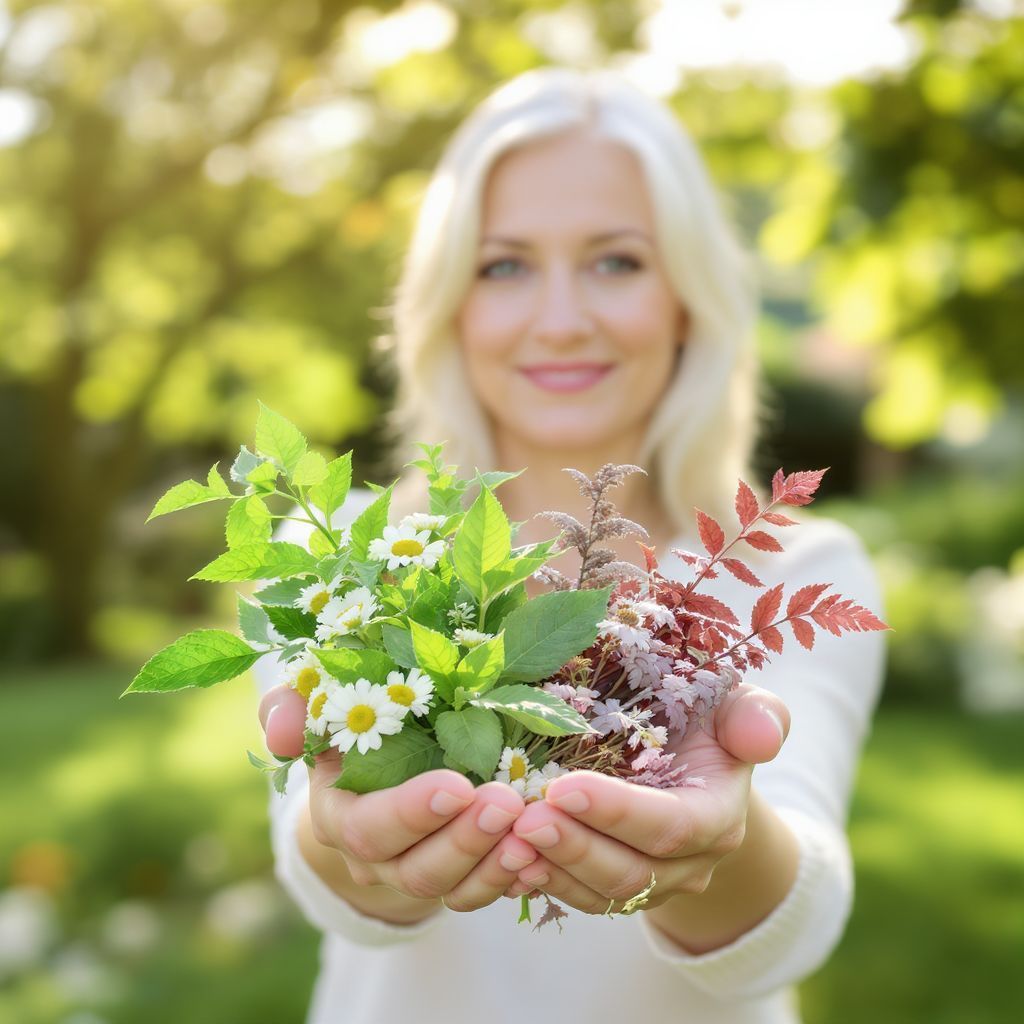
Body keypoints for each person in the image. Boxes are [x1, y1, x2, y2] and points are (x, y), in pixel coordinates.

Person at [253, 68, 886, 1024]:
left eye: (616, 261)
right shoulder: (346, 564)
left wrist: (721, 837)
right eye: (504, 265)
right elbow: (337, 892)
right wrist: (356, 845)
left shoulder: (792, 573)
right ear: (450, 305)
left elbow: (795, 921)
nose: (560, 319)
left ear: (686, 298)